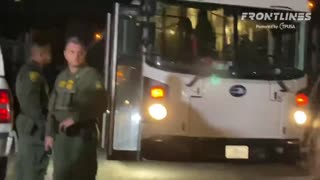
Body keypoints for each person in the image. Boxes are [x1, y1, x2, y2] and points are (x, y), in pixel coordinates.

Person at [45, 36, 107, 180]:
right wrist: (49, 133)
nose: (76, 56)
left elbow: (101, 104)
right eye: (72, 52)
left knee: (83, 174)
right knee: (60, 175)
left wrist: (76, 118)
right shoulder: (61, 77)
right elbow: (52, 109)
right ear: (65, 54)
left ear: (85, 54)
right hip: (61, 139)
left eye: (80, 52)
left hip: (82, 138)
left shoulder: (92, 76)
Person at [15, 39, 52, 180]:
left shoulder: (32, 71)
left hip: (30, 125)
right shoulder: (32, 74)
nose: (51, 55)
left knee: (26, 167)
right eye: (48, 52)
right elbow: (32, 105)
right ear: (41, 54)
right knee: (34, 168)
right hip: (34, 127)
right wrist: (45, 127)